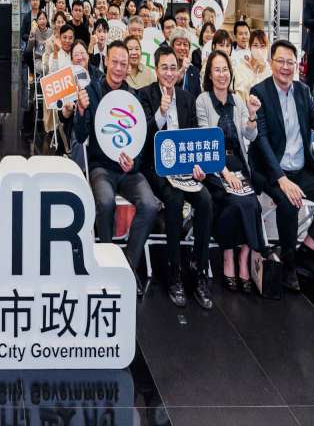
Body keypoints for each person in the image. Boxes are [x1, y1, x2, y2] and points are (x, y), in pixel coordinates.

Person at [249, 39, 314, 292]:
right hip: (271, 171)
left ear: (297, 65)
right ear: (271, 62)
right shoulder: (260, 92)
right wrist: (281, 179)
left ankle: (306, 252)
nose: (285, 67)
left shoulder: (303, 91)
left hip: (302, 170)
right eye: (280, 61)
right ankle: (288, 264)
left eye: (290, 62)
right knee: (288, 202)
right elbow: (261, 140)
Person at [72, 40, 159, 294]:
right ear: (106, 61)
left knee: (150, 205)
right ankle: (106, 263)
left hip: (129, 170)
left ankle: (127, 267)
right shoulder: (92, 91)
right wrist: (81, 110)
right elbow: (81, 135)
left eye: (124, 63)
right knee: (106, 202)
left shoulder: (133, 96)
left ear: (128, 66)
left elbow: (141, 140)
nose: (119, 68)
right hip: (101, 168)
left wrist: (134, 162)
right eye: (115, 62)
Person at [139, 46, 213, 309]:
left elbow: (192, 138)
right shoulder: (144, 95)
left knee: (205, 201)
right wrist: (160, 113)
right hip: (155, 167)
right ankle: (174, 273)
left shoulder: (186, 98)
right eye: (164, 68)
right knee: (174, 198)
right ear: (156, 69)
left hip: (184, 168)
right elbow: (143, 138)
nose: (169, 73)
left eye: (173, 68)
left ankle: (199, 269)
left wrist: (197, 167)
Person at [197, 50, 265, 293]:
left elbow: (251, 135)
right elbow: (206, 141)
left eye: (225, 69)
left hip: (238, 163)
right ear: (209, 74)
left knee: (252, 203)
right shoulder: (203, 100)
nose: (222, 74)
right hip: (215, 166)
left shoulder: (238, 99)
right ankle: (228, 257)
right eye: (217, 70)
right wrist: (224, 173)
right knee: (233, 202)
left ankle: (244, 257)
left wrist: (253, 115)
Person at [234, 29, 272, 101]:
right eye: (255, 45)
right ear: (249, 46)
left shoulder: (269, 71)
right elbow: (240, 93)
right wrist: (255, 73)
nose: (259, 49)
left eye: (262, 46)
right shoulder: (241, 67)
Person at [171, 27, 201, 95]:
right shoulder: (167, 68)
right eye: (179, 44)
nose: (182, 48)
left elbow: (197, 96)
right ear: (172, 47)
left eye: (185, 44)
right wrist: (182, 70)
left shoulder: (194, 71)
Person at [25, 10, 52, 75]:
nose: (42, 21)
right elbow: (29, 49)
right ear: (37, 21)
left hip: (49, 58)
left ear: (47, 20)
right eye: (40, 19)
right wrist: (32, 35)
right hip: (38, 59)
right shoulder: (34, 31)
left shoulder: (51, 31)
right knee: (45, 69)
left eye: (44, 19)